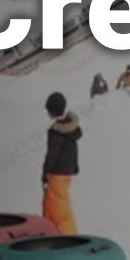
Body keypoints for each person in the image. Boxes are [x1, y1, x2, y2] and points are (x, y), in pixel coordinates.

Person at [42, 92, 80, 234]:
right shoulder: (70, 127)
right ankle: (54, 232)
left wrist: (45, 172)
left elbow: (52, 154)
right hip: (66, 172)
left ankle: (65, 236)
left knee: (57, 207)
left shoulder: (57, 132)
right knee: (58, 204)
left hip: (57, 173)